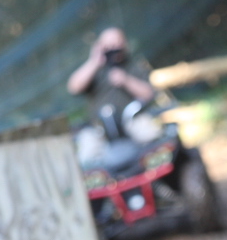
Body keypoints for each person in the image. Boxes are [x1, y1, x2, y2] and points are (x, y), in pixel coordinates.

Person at [68, 27, 159, 156]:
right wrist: (94, 62)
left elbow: (149, 94)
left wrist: (126, 80)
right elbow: (73, 87)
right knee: (87, 151)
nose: (114, 49)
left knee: (151, 134)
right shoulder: (95, 69)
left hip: (131, 121)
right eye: (109, 46)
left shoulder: (133, 65)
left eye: (117, 45)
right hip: (99, 128)